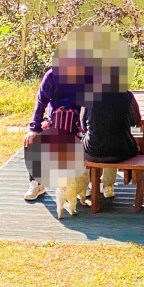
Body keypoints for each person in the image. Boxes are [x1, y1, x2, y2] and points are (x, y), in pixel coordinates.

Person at [23, 30, 93, 202]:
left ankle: (85, 181)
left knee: (91, 141)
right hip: (55, 122)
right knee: (30, 140)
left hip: (79, 125)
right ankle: (37, 182)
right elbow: (40, 104)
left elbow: (93, 105)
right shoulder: (52, 76)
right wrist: (34, 129)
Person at [81, 45, 142, 198]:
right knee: (116, 139)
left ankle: (85, 185)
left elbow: (82, 124)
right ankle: (108, 186)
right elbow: (137, 121)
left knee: (83, 143)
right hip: (122, 152)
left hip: (93, 151)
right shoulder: (126, 95)